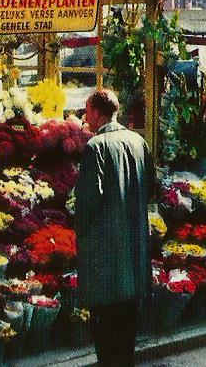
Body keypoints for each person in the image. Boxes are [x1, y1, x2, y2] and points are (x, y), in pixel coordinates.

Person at [75, 90, 155, 366]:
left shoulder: (95, 147)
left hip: (106, 255)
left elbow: (87, 202)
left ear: (97, 113)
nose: (85, 117)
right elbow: (151, 189)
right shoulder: (138, 142)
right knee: (127, 331)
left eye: (87, 111)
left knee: (106, 333)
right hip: (135, 249)